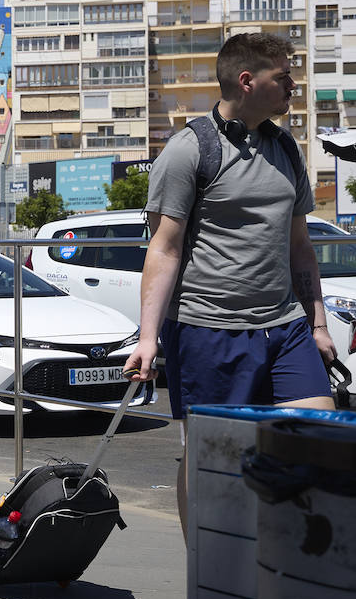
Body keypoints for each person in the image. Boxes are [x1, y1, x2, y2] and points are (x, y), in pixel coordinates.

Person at [124, 32, 336, 534]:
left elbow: (300, 246)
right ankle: (208, 574)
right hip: (208, 330)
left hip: (284, 328)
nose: (293, 86)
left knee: (319, 438)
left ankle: (286, 559)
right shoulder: (189, 149)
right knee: (211, 458)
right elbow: (164, 247)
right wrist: (149, 338)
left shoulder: (285, 147)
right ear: (247, 80)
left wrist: (319, 324)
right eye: (283, 76)